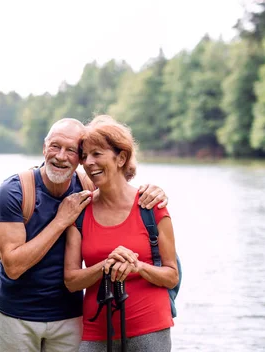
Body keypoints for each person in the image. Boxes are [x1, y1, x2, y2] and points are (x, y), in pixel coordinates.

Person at [0, 118, 169, 352]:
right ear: (44, 148)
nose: (61, 156)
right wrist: (61, 221)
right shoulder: (15, 190)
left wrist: (155, 191)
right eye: (55, 146)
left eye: (73, 151)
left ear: (78, 158)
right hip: (17, 316)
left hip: (70, 317)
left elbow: (119, 187)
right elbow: (13, 267)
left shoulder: (88, 187)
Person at [64, 115, 179, 352]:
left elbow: (171, 276)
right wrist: (106, 265)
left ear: (121, 158)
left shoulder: (151, 206)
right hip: (96, 330)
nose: (88, 162)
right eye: (84, 156)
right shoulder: (81, 211)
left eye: (97, 154)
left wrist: (139, 267)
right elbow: (71, 281)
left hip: (150, 329)